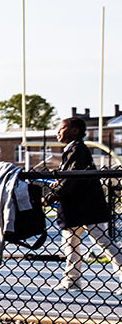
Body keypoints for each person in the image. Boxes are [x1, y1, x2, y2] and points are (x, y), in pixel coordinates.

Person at [45, 117, 122, 293]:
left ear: (75, 131)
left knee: (101, 241)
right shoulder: (72, 150)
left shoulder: (77, 149)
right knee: (70, 242)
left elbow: (72, 179)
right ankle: (71, 280)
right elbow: (69, 178)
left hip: (84, 207)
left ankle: (72, 280)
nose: (58, 131)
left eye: (62, 128)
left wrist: (52, 195)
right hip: (76, 207)